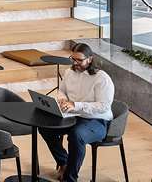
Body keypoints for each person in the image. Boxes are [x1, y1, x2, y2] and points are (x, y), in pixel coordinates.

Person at [38, 42, 115, 182]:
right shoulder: (69, 72)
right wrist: (62, 99)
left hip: (97, 120)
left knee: (76, 135)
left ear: (90, 59)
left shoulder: (102, 78)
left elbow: (103, 106)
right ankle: (64, 162)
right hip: (72, 116)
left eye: (79, 60)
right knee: (45, 127)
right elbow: (62, 91)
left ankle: (69, 178)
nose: (75, 63)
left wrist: (75, 105)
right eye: (73, 59)